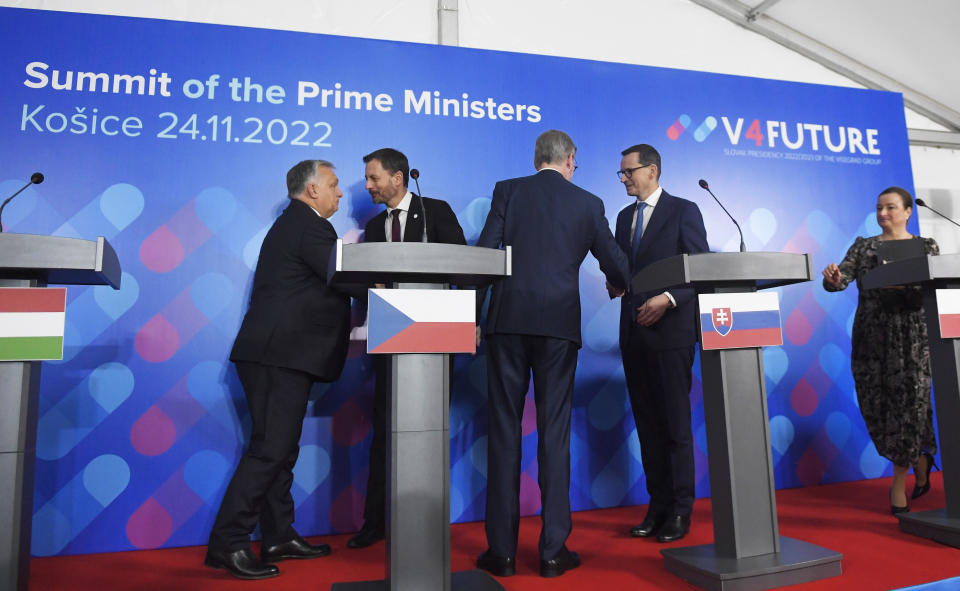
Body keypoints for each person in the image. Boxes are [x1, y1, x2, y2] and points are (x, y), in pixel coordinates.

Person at [475, 130, 629, 578]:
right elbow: (616, 264)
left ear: (537, 158)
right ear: (569, 160)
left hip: (507, 323)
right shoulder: (587, 203)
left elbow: (485, 256)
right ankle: (552, 552)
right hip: (559, 328)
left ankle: (501, 553)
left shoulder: (508, 191)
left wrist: (467, 311)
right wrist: (620, 284)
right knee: (554, 433)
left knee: (504, 431)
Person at [205, 160, 350, 580]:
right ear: (311, 191)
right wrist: (396, 279)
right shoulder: (309, 226)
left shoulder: (297, 224)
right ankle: (228, 543)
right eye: (334, 185)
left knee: (280, 449)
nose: (340, 193)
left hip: (278, 355)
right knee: (271, 449)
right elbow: (344, 274)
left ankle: (278, 535)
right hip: (277, 356)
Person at [347, 147, 467, 550]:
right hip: (391, 338)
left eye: (373, 178)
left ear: (398, 178)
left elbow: (464, 266)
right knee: (386, 431)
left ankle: (427, 520)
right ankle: (376, 520)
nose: (368, 186)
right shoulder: (374, 225)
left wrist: (470, 319)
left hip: (435, 339)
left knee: (431, 429)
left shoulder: (436, 211)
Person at [611, 143, 708, 543]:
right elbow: (623, 270)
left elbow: (699, 271)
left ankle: (681, 510)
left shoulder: (684, 210)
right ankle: (658, 506)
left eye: (628, 172)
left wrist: (669, 299)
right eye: (621, 173)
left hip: (671, 333)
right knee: (648, 426)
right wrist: (617, 282)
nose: (624, 179)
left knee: (675, 425)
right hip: (634, 332)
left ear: (651, 170)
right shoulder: (621, 218)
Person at [822, 186, 939, 514]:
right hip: (873, 339)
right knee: (877, 404)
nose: (883, 214)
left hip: (914, 338)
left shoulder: (926, 247)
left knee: (911, 404)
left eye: (890, 207)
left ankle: (898, 480)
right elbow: (839, 279)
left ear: (907, 212)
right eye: (879, 208)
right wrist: (832, 277)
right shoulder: (864, 247)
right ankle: (920, 454)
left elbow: (935, 284)